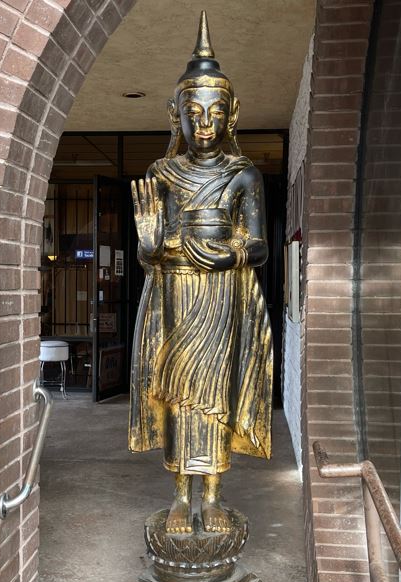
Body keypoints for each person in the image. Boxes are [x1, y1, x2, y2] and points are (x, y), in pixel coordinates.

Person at [128, 11, 273, 535]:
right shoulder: (161, 174)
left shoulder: (243, 175)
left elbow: (258, 245)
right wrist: (148, 248)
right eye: (194, 113)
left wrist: (232, 256)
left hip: (222, 297)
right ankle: (177, 494)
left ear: (231, 114)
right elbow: (153, 248)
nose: (205, 124)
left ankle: (211, 495)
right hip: (174, 295)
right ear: (176, 116)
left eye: (215, 112)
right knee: (174, 392)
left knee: (213, 395)